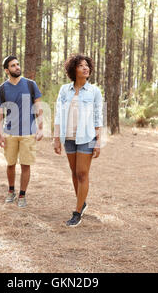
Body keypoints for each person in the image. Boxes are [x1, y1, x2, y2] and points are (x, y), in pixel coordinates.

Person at [53, 54, 103, 227]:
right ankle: (82, 203)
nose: (85, 68)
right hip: (68, 137)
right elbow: (58, 114)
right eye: (81, 65)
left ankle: (77, 212)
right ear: (73, 69)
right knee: (74, 173)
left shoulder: (94, 91)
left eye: (87, 65)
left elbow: (98, 116)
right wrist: (56, 138)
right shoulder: (64, 90)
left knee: (82, 173)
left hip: (87, 137)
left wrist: (98, 141)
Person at [0, 56, 43, 208]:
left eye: (17, 64)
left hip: (28, 133)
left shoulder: (30, 85)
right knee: (10, 164)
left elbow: (39, 108)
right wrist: (0, 133)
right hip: (10, 132)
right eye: (13, 65)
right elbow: (0, 113)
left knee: (25, 165)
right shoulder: (1, 89)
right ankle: (11, 191)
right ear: (6, 70)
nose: (17, 67)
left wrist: (41, 128)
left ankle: (22, 194)